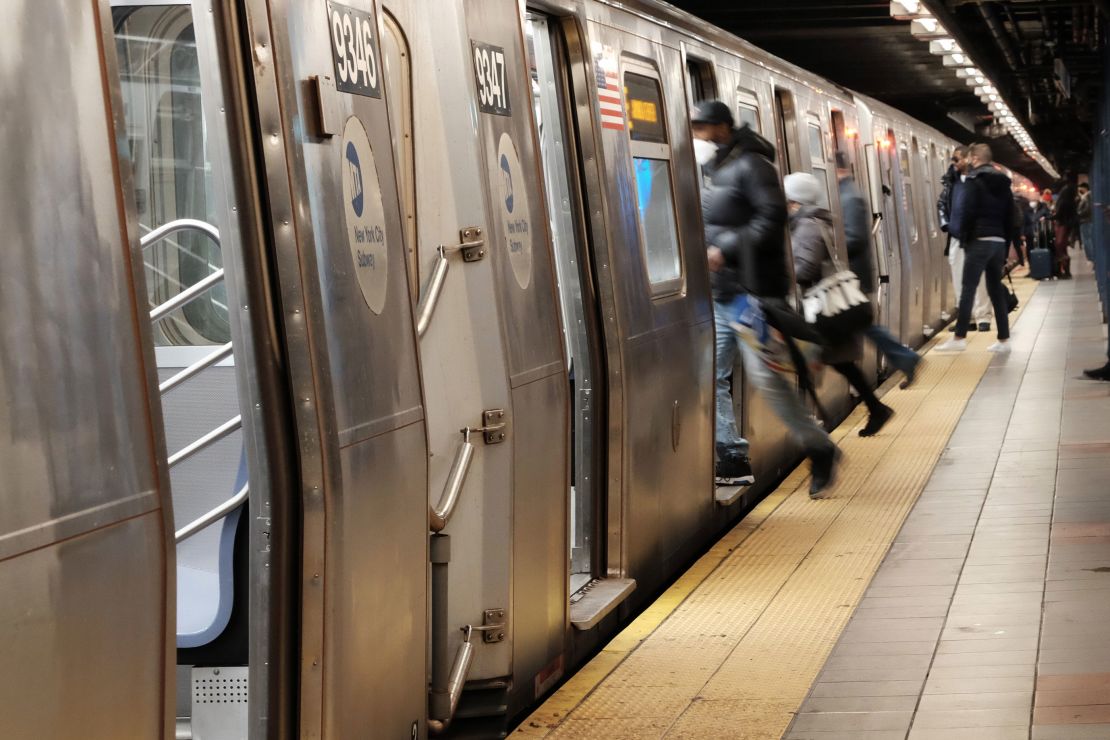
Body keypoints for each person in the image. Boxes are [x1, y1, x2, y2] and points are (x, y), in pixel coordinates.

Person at [692, 100, 840, 497]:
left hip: (752, 295)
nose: (697, 134)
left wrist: (725, 248)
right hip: (723, 295)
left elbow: (772, 218)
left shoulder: (754, 166)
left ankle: (819, 447)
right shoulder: (717, 168)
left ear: (722, 127)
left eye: (702, 127)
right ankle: (732, 453)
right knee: (708, 375)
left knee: (767, 381)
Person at [785, 172, 895, 437]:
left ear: (795, 201)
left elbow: (805, 268)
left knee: (808, 362)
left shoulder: (808, 224)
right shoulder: (815, 221)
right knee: (840, 362)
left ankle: (812, 433)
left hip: (821, 307)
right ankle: (875, 407)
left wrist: (783, 273)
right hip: (828, 306)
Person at [691, 100, 755, 487]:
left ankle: (733, 456)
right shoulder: (726, 185)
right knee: (723, 372)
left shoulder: (710, 193)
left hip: (735, 295)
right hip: (735, 293)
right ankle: (732, 456)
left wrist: (720, 254)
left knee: (718, 373)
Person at [835, 153, 921, 388]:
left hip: (853, 277)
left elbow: (855, 239)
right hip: (852, 277)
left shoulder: (850, 197)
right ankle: (904, 360)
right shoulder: (847, 194)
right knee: (863, 327)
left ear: (839, 169)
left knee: (855, 329)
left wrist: (831, 242)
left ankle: (901, 363)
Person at [936, 143, 1016, 353]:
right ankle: (1004, 340)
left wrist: (960, 235)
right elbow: (1012, 217)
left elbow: (965, 212)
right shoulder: (1003, 184)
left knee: (968, 289)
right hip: (998, 241)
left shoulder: (973, 181)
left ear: (976, 159)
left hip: (978, 240)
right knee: (994, 290)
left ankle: (959, 338)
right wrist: (1006, 246)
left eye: (970, 158)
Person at [938, 146, 993, 332]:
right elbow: (942, 204)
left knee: (980, 278)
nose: (954, 163)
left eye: (957, 159)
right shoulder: (951, 181)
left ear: (968, 159)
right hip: (956, 237)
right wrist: (947, 225)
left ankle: (983, 317)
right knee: (959, 278)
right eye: (953, 160)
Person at [1053, 172, 1079, 279]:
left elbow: (1060, 211)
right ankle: (1065, 271)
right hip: (1067, 224)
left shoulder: (1065, 195)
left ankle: (1065, 271)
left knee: (1059, 246)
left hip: (1062, 224)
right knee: (1062, 247)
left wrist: (1052, 216)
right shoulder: (1072, 193)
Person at [1078, 182, 1093, 263]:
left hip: (1086, 221)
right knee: (1087, 240)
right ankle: (1091, 258)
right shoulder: (1086, 196)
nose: (1079, 190)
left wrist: (1078, 213)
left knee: (1087, 240)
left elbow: (1087, 209)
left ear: (1085, 188)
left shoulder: (1087, 197)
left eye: (1080, 188)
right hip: (1086, 221)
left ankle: (1091, 258)